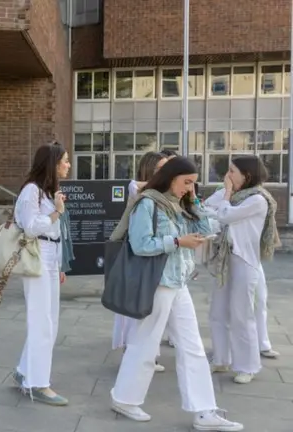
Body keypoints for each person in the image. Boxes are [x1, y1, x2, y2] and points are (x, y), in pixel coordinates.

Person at [108, 156, 243, 431]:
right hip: (157, 283)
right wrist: (178, 241)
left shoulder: (178, 204)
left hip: (177, 282)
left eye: (193, 184)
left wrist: (194, 203)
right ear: (171, 178)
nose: (189, 188)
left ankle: (204, 411)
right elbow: (140, 244)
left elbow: (206, 229)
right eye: (186, 182)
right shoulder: (148, 203)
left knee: (192, 346)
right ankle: (124, 398)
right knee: (145, 344)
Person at [206, 155, 280, 385]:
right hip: (225, 259)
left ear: (246, 175)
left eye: (232, 171)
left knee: (242, 315)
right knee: (217, 312)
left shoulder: (257, 199)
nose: (227, 176)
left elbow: (225, 215)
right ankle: (221, 358)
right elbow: (207, 208)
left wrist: (226, 195)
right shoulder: (232, 196)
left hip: (244, 261)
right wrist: (225, 198)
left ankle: (248, 366)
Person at [10, 143, 70, 406]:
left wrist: (59, 265)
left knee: (50, 320)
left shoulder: (46, 191)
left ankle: (25, 371)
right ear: (52, 164)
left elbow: (55, 233)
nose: (68, 165)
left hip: (49, 257)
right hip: (37, 256)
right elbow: (31, 227)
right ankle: (37, 383)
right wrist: (56, 212)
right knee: (41, 321)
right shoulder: (31, 191)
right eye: (65, 160)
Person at [112, 151, 168, 372]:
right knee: (134, 307)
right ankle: (132, 354)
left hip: (155, 252)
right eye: (160, 168)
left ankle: (148, 355)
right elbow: (134, 186)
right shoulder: (138, 188)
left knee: (150, 307)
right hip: (136, 251)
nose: (165, 173)